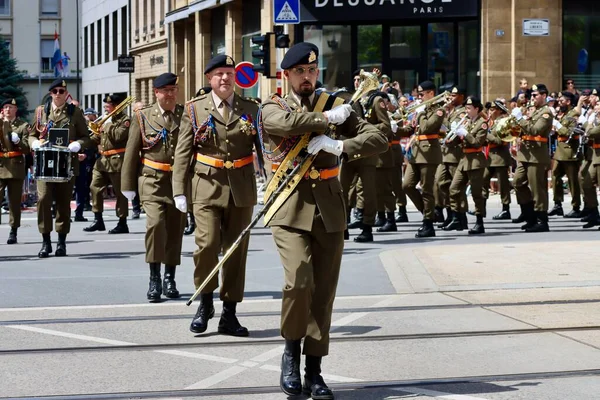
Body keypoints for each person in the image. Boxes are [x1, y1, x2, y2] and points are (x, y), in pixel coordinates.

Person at [260, 42, 387, 399]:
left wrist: (340, 146)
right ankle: (290, 352)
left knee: (324, 293)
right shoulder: (274, 104)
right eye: (300, 71)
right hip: (288, 206)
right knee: (298, 281)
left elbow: (378, 137)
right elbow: (283, 125)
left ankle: (314, 370)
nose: (307, 77)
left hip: (329, 208)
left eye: (312, 71)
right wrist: (326, 120)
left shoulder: (336, 103)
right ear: (287, 75)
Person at [173, 55, 259, 336]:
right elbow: (183, 152)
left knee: (236, 252)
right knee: (207, 246)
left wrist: (273, 182)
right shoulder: (195, 109)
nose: (225, 78)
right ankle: (205, 301)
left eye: (229, 73)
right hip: (206, 186)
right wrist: (179, 190)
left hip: (241, 188)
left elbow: (265, 149)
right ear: (209, 79)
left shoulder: (251, 108)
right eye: (219, 74)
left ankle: (229, 314)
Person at [121, 73, 186, 302]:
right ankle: (154, 277)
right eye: (165, 90)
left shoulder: (185, 114)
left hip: (178, 181)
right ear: (156, 92)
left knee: (175, 229)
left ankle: (170, 277)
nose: (170, 94)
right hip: (152, 179)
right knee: (156, 225)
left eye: (173, 89)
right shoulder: (143, 116)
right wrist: (127, 185)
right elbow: (131, 152)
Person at [29, 79, 93, 257]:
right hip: (45, 166)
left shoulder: (75, 112)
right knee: (43, 200)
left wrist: (78, 145)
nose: (58, 94)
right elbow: (31, 134)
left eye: (62, 91)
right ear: (50, 94)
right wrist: (34, 142)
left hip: (66, 166)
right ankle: (46, 241)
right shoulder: (41, 112)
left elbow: (86, 137)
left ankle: (62, 242)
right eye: (55, 91)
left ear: (66, 94)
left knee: (64, 204)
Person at [402, 81, 446, 237]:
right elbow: (413, 128)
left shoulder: (439, 110)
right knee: (407, 185)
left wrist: (420, 113)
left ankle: (428, 224)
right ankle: (430, 214)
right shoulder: (422, 110)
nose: (418, 97)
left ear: (431, 94)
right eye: (418, 94)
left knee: (427, 189)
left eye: (421, 94)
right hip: (416, 151)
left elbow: (427, 127)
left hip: (428, 153)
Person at [84, 94, 131, 234]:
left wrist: (107, 125)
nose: (105, 109)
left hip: (117, 160)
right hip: (102, 161)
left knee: (119, 193)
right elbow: (97, 138)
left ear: (116, 106)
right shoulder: (106, 120)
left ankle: (122, 222)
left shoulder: (125, 120)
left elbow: (118, 136)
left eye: (107, 107)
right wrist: (81, 143)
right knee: (95, 187)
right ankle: (98, 219)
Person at [510, 84, 553, 232]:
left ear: (544, 95)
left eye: (535, 95)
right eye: (532, 95)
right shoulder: (532, 111)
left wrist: (520, 118)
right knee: (518, 183)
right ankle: (530, 216)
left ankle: (542, 220)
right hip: (525, 154)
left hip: (537, 156)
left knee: (537, 189)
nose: (532, 98)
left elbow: (535, 130)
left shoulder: (546, 112)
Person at [442, 97, 488, 234]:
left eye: (469, 108)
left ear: (476, 109)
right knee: (453, 189)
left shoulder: (482, 124)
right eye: (466, 108)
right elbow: (456, 141)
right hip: (464, 160)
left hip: (475, 161)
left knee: (476, 193)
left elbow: (477, 143)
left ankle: (479, 222)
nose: (466, 111)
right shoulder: (466, 122)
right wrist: (450, 139)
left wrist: (465, 134)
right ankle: (457, 218)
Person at [435, 86, 467, 229]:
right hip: (444, 153)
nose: (451, 98)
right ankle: (450, 213)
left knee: (456, 188)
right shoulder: (449, 111)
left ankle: (460, 217)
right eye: (450, 95)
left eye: (454, 95)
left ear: (461, 96)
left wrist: (444, 114)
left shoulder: (462, 113)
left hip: (455, 154)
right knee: (441, 183)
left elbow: (453, 131)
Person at [0, 98, 30, 244]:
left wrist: (18, 141)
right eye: (5, 107)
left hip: (15, 166)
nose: (7, 110)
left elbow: (27, 148)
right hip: (0, 165)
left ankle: (13, 230)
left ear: (15, 109)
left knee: (14, 202)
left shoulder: (23, 126)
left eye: (10, 107)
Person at [549, 91, 581, 218]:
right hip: (559, 151)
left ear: (568, 102)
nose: (559, 103)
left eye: (562, 101)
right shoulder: (561, 114)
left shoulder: (573, 114)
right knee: (555, 176)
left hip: (569, 151)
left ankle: (576, 206)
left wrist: (557, 125)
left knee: (573, 181)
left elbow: (569, 132)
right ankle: (558, 204)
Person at [482, 99, 513, 220]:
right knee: (483, 181)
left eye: (493, 109)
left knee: (503, 185)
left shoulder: (503, 122)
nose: (490, 111)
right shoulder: (490, 122)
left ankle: (506, 209)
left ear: (499, 110)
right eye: (489, 109)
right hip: (489, 157)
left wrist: (485, 134)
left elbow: (499, 140)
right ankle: (481, 208)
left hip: (500, 156)